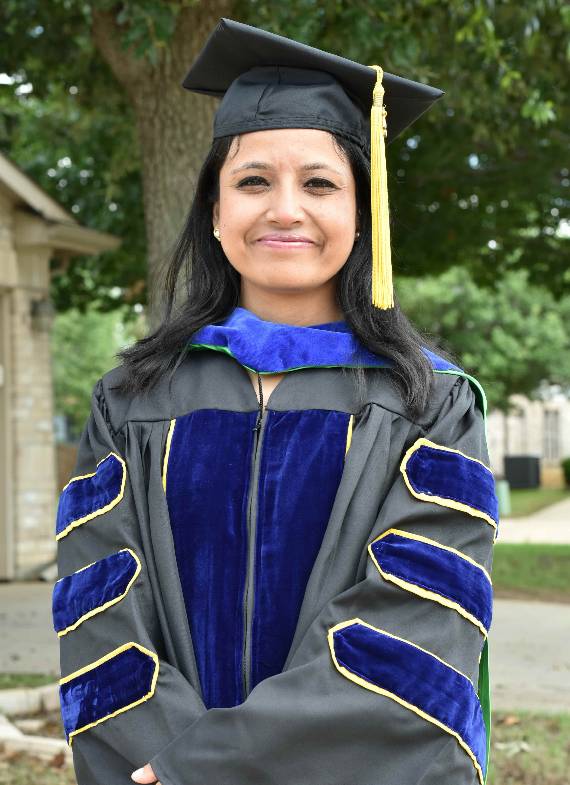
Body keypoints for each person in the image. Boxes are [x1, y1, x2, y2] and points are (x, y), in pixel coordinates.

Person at [52, 17, 497, 785]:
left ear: (363, 218)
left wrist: (208, 766)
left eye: (319, 183)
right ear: (216, 213)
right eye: (253, 180)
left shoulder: (431, 405)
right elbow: (99, 617)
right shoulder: (131, 402)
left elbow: (412, 638)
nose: (284, 209)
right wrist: (164, 762)